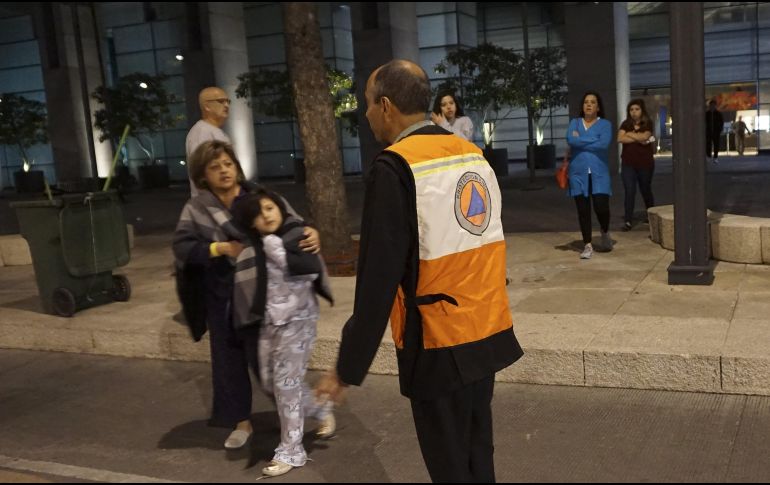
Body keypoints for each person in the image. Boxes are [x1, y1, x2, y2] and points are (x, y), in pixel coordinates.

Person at [315, 60, 523, 483]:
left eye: (368, 105)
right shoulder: (472, 155)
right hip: (486, 329)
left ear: (386, 106)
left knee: (449, 466)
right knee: (478, 456)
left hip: (437, 341)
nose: (367, 114)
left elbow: (377, 279)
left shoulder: (395, 167)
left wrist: (347, 366)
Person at [172, 140, 320, 453]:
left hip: (261, 292)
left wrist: (310, 231)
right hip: (221, 294)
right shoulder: (197, 208)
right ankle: (241, 421)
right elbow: (183, 247)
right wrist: (220, 248)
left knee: (268, 362)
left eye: (227, 164)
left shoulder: (257, 197)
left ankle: (300, 411)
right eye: (215, 167)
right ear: (203, 176)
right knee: (228, 362)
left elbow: (290, 221)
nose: (224, 171)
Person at [232, 189, 335, 478]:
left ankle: (291, 450)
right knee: (270, 381)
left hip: (298, 321)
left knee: (286, 384)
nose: (266, 214)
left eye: (269, 208)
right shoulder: (258, 240)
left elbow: (310, 268)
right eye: (258, 213)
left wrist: (279, 248)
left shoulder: (294, 233)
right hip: (271, 321)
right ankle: (318, 408)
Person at [565, 91, 613, 260]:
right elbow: (570, 140)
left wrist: (582, 139)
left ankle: (605, 231)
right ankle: (587, 244)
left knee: (601, 207)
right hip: (578, 173)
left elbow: (604, 144)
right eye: (586, 102)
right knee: (583, 210)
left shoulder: (605, 124)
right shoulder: (575, 123)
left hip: (599, 173)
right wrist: (593, 139)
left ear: (598, 107)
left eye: (593, 102)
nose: (589, 104)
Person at [185, 87, 232, 196]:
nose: (226, 105)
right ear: (207, 106)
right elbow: (202, 172)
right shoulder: (202, 133)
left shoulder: (214, 131)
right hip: (211, 205)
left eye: (227, 101)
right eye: (221, 101)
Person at [617, 99, 656, 231]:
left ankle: (651, 216)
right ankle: (628, 220)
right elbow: (620, 138)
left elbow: (645, 137)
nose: (634, 112)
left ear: (642, 110)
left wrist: (630, 135)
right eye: (631, 110)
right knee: (630, 191)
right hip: (628, 164)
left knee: (645, 189)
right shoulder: (625, 124)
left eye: (636, 109)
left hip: (645, 163)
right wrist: (636, 136)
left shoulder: (648, 123)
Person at [706, 99, 724, 164]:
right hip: (708, 132)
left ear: (715, 106)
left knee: (716, 145)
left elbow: (721, 122)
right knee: (708, 144)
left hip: (716, 132)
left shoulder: (718, 114)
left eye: (714, 105)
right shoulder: (706, 114)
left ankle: (715, 157)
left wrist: (720, 129)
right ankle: (708, 156)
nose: (712, 106)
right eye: (711, 105)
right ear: (709, 106)